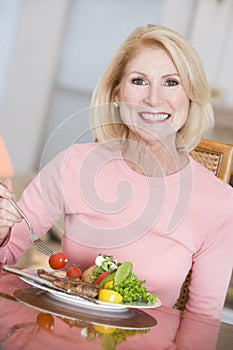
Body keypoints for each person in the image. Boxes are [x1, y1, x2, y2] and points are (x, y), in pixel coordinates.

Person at [0, 24, 233, 320]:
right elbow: (6, 258)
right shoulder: (73, 163)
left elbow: (201, 324)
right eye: (139, 81)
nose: (154, 99)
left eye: (171, 82)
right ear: (116, 94)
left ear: (191, 97)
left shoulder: (220, 202)